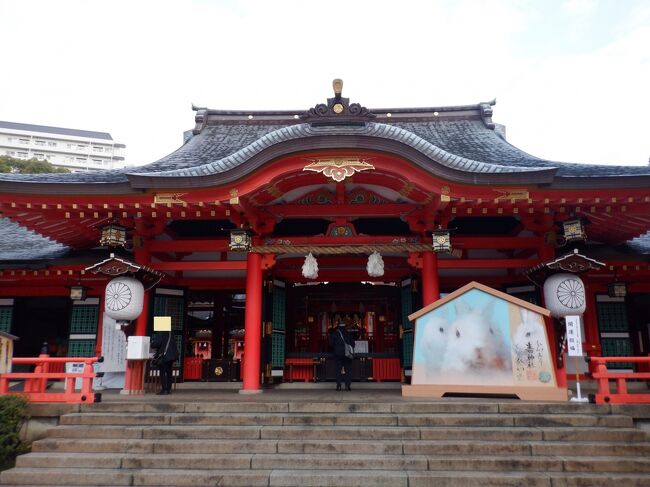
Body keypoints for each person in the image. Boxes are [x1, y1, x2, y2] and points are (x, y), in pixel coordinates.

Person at [151, 330, 179, 395]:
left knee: (163, 372)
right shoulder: (171, 332)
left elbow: (157, 343)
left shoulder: (161, 331)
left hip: (164, 355)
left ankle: (164, 389)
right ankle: (169, 389)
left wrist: (152, 344)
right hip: (171, 355)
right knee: (169, 372)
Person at [330, 322, 355, 391]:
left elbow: (331, 344)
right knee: (348, 370)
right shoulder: (349, 334)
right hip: (347, 355)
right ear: (345, 326)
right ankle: (347, 386)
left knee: (338, 370)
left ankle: (338, 385)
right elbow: (353, 344)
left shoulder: (334, 334)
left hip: (338, 354)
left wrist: (336, 348)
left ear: (338, 327)